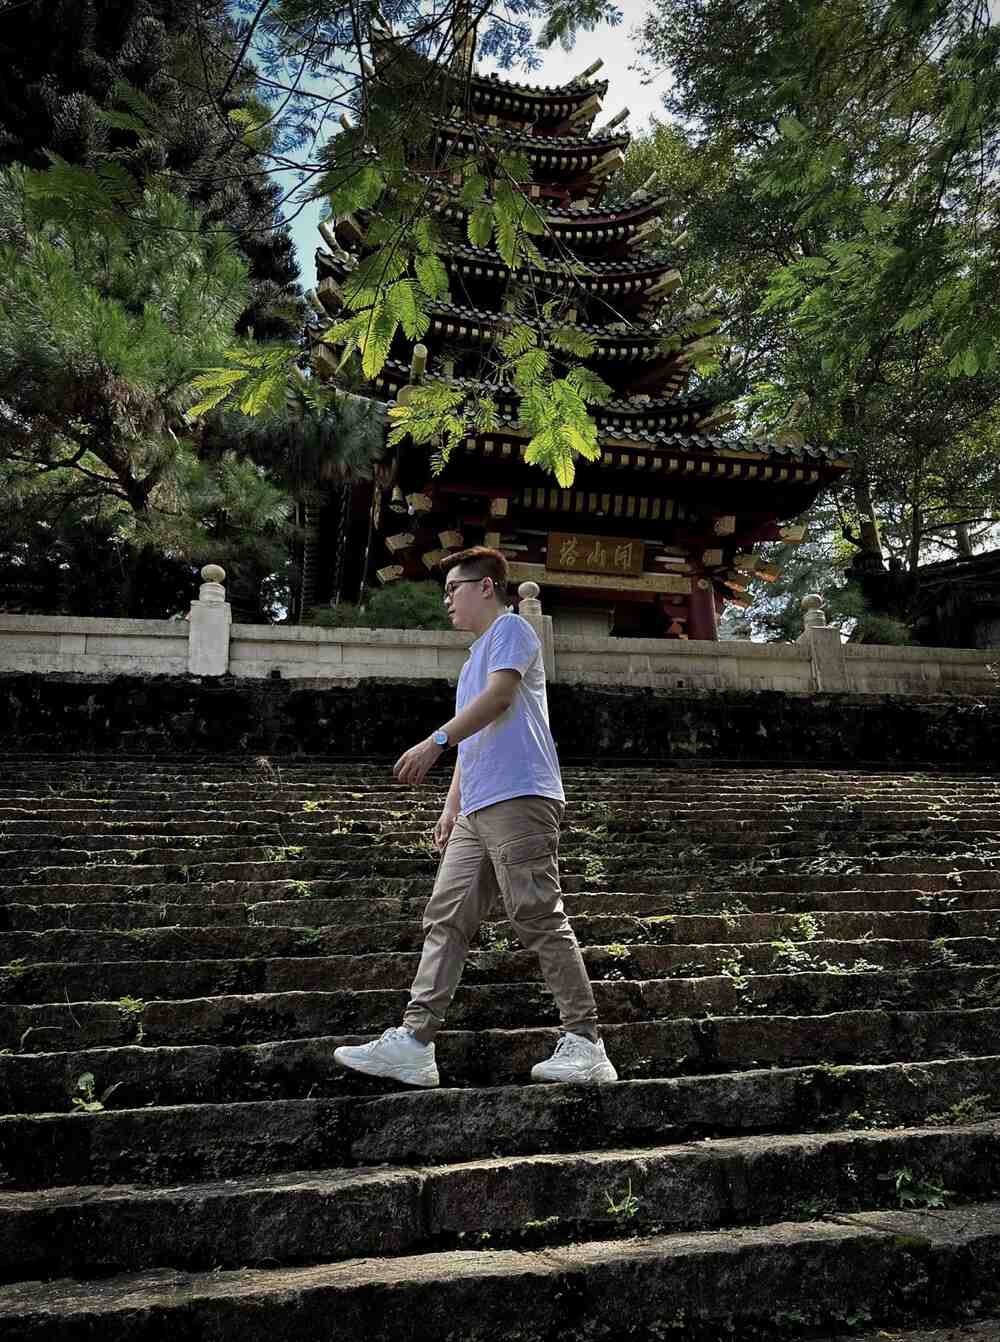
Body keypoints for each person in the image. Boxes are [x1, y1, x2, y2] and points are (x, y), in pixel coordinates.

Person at [334, 546, 617, 1089]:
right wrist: (450, 808)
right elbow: (476, 740)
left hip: (520, 795)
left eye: (453, 589)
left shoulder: (511, 630)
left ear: (486, 586)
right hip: (477, 807)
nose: (447, 601)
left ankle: (586, 1044)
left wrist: (434, 740)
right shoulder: (470, 662)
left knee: (535, 913)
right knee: (446, 916)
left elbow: (500, 700)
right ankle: (415, 1043)